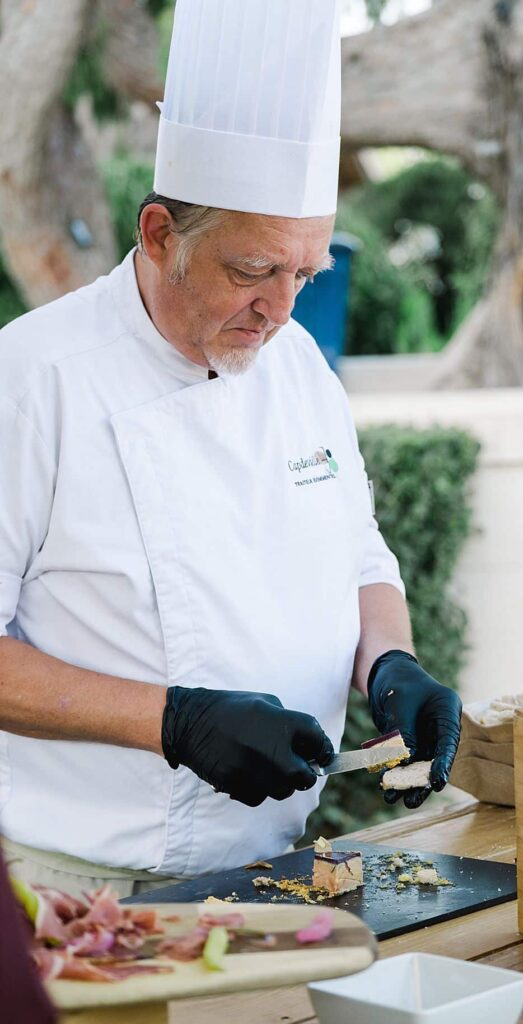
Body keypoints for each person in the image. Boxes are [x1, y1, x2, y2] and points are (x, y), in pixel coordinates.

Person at [0, 0, 462, 899]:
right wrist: (174, 723)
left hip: (274, 873)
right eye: (251, 272)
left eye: (305, 274)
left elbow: (356, 552)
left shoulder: (295, 366)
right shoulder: (30, 379)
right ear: (160, 234)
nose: (281, 309)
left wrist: (392, 664)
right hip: (70, 883)